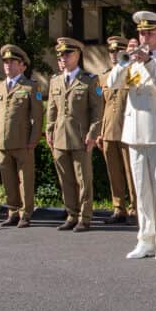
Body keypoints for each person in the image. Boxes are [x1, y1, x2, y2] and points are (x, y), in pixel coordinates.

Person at [102, 11, 156, 261]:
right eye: (141, 33)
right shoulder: (131, 59)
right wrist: (124, 61)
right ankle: (145, 239)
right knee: (142, 191)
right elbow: (112, 84)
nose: (144, 36)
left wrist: (148, 60)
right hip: (134, 132)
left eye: (149, 32)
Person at [46, 38, 105, 232]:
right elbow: (52, 109)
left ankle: (85, 217)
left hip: (80, 137)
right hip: (60, 137)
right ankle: (71, 214)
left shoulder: (89, 80)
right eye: (60, 55)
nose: (62, 58)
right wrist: (49, 130)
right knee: (66, 179)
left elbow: (98, 110)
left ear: (77, 55)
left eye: (67, 54)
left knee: (83, 180)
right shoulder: (55, 80)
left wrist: (93, 134)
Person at [0, 44, 45, 227]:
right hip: (3, 142)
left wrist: (33, 140)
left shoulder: (30, 87)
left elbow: (37, 117)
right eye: (6, 62)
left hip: (23, 142)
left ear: (22, 66)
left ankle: (25, 213)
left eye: (13, 62)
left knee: (25, 180)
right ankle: (12, 211)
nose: (8, 66)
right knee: (8, 180)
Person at [97, 36, 136, 224]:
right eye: (111, 51)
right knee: (114, 173)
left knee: (131, 172)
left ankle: (135, 209)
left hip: (128, 130)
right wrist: (98, 132)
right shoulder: (103, 77)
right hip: (109, 130)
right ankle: (118, 207)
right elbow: (100, 107)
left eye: (117, 51)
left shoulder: (131, 73)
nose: (113, 54)